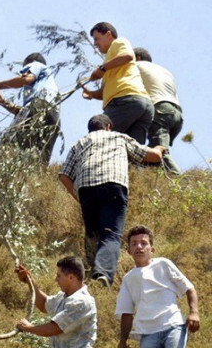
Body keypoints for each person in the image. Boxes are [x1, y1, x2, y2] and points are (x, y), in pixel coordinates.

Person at [59, 114, 166, 287]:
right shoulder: (119, 137)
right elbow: (152, 156)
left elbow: (64, 176)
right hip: (113, 185)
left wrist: (78, 197)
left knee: (92, 234)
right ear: (108, 127)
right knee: (111, 235)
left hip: (86, 189)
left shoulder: (79, 143)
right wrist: (160, 149)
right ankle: (102, 276)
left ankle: (91, 272)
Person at [115, 226, 200, 348]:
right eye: (134, 244)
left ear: (152, 249)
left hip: (173, 325)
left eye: (143, 243)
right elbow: (127, 312)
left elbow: (189, 288)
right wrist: (123, 341)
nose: (139, 247)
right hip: (148, 333)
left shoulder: (163, 264)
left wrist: (194, 313)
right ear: (128, 250)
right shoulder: (128, 278)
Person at [81, 22, 154, 144]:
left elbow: (129, 55)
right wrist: (91, 94)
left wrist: (102, 69)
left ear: (108, 34)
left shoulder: (118, 42)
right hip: (141, 104)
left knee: (98, 140)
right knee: (133, 151)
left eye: (97, 39)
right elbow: (104, 93)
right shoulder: (111, 63)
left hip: (125, 101)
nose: (94, 44)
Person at [0, 52, 60, 164]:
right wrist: (1, 101)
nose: (25, 72)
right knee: (39, 162)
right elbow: (22, 113)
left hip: (39, 108)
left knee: (10, 149)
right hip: (55, 120)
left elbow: (26, 79)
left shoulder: (36, 65)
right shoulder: (47, 88)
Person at [15, 256, 97, 347]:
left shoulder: (82, 302)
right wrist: (29, 280)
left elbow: (53, 329)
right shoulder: (63, 296)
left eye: (59, 276)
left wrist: (28, 327)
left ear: (71, 277)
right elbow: (43, 304)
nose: (56, 279)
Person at [134, 47, 183, 174]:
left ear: (138, 58)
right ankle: (153, 183)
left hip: (160, 109)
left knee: (160, 151)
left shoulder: (137, 65)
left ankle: (183, 183)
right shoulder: (165, 71)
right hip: (176, 113)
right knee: (151, 155)